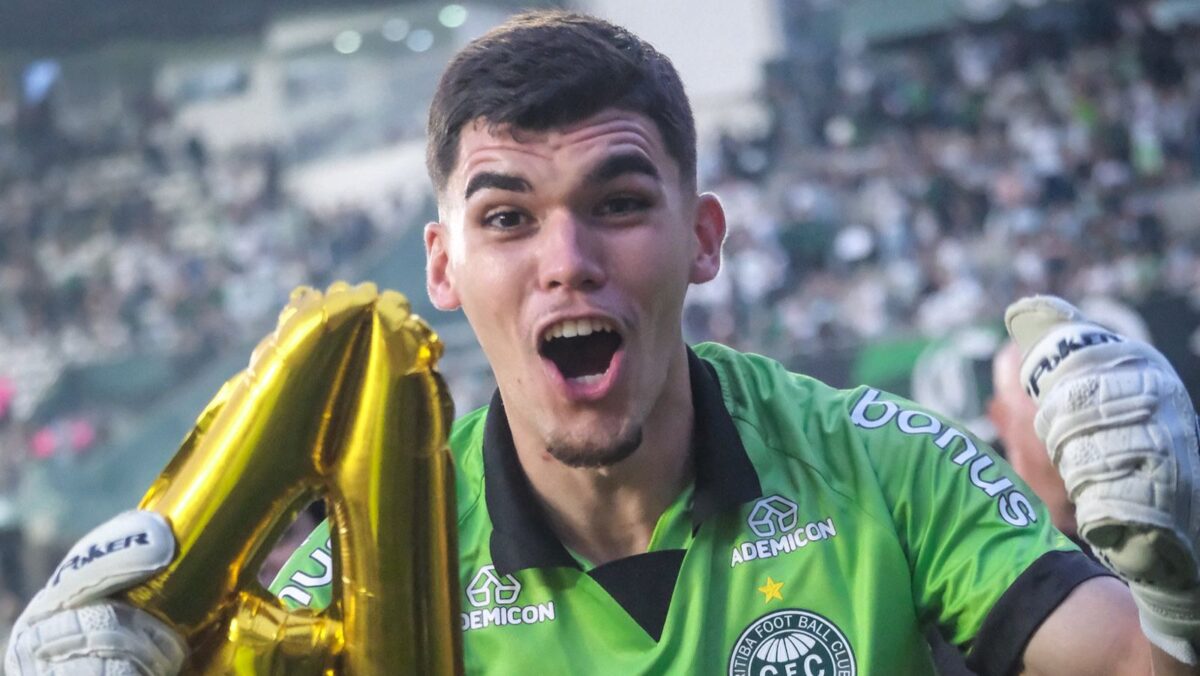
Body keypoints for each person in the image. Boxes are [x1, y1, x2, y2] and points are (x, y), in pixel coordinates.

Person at [7, 11, 1200, 675]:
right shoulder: (367, 591)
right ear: (442, 268)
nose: (566, 259)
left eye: (620, 203)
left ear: (704, 237)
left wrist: (1181, 597)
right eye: (507, 217)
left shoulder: (882, 466)